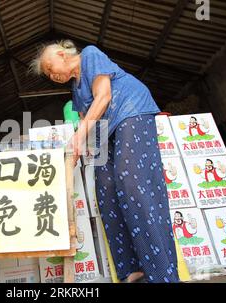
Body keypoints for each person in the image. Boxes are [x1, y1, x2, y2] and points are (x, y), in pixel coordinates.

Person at [30, 40, 179, 283]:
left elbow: (104, 96)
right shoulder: (75, 92)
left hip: (132, 111)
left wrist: (78, 137)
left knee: (131, 183)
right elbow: (86, 123)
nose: (51, 75)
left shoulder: (89, 55)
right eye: (47, 74)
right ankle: (132, 271)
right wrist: (76, 149)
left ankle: (162, 273)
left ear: (61, 54)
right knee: (106, 190)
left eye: (50, 68)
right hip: (107, 131)